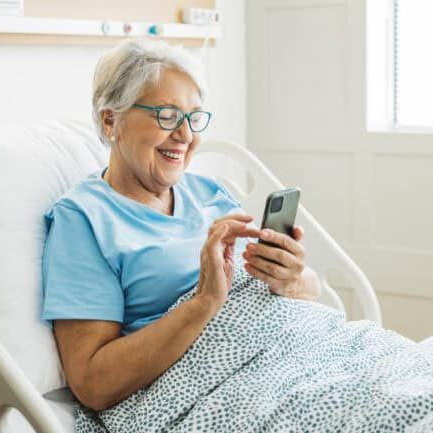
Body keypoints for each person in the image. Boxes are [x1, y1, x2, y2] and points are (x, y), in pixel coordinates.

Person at [41, 38, 321, 413]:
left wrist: (290, 278)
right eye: (167, 116)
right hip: (220, 395)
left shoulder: (209, 191)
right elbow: (93, 383)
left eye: (193, 117)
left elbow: (308, 291)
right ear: (112, 121)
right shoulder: (84, 220)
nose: (186, 135)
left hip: (304, 355)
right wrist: (203, 302)